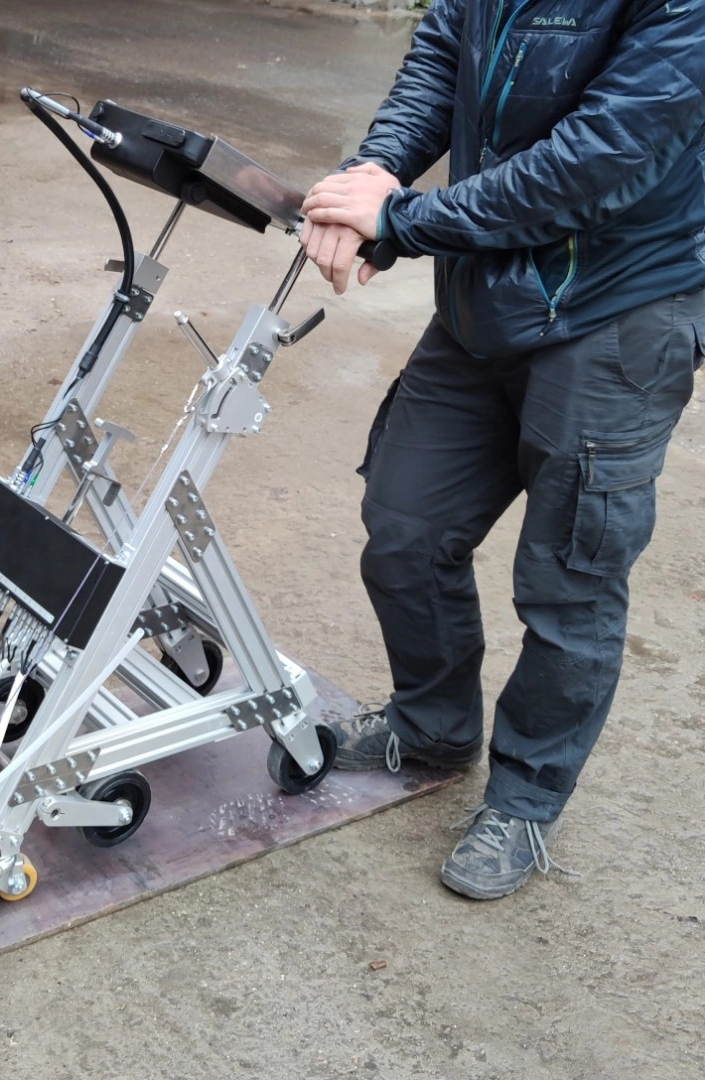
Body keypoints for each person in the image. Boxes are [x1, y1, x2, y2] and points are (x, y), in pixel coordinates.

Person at [299, 0, 705, 900]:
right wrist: (374, 172)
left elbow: (599, 158)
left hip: (617, 311)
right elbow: (443, 54)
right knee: (405, 525)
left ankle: (524, 799)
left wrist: (402, 220)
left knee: (569, 580)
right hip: (487, 291)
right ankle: (434, 729)